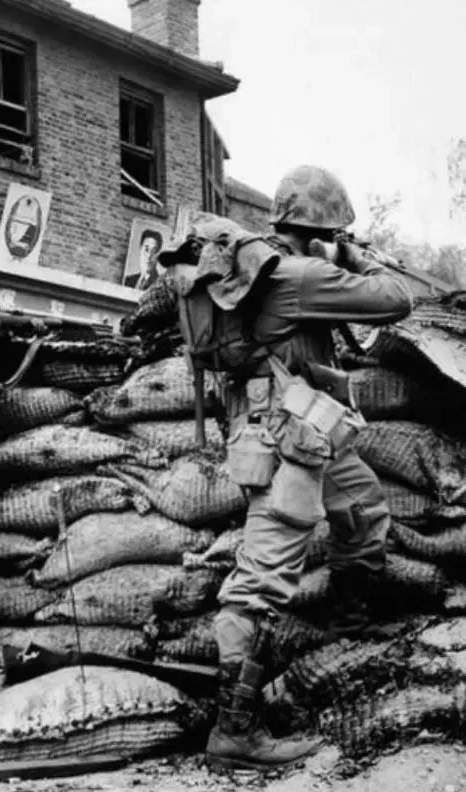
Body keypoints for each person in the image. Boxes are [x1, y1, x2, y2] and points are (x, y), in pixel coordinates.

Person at [171, 166, 414, 771]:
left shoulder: (262, 270)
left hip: (300, 428)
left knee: (362, 508)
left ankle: (348, 628)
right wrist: (355, 258)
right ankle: (235, 729)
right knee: (261, 579)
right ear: (325, 230)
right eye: (336, 233)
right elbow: (396, 299)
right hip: (288, 444)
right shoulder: (298, 275)